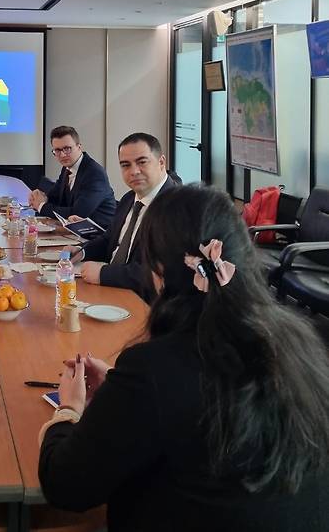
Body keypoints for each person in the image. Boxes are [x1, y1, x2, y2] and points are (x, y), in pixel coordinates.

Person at [38, 184, 329, 531]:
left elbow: (65, 485)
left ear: (160, 271)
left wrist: (68, 409)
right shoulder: (301, 343)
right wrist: (121, 394)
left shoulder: (154, 368)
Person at [71, 132, 176, 297]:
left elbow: (159, 271)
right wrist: (81, 251)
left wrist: (103, 274)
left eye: (142, 162)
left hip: (142, 301)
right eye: (126, 165)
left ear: (161, 162)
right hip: (109, 289)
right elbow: (108, 240)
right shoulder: (129, 198)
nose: (134, 171)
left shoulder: (177, 207)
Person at [28, 126, 116, 229]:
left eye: (67, 149)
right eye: (57, 150)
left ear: (79, 147)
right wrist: (40, 197)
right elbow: (55, 197)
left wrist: (41, 206)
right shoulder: (67, 168)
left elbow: (77, 213)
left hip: (99, 235)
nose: (62, 154)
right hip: (75, 231)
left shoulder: (94, 174)